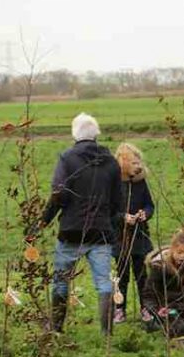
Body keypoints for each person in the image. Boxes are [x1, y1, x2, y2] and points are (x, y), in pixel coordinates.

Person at [42, 113, 123, 335]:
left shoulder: (67, 159)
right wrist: (109, 220)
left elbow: (58, 194)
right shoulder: (112, 162)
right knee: (104, 283)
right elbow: (118, 201)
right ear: (96, 134)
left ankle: (56, 328)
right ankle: (107, 333)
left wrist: (42, 222)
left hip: (71, 230)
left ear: (74, 134)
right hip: (101, 232)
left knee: (61, 281)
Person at [112, 143, 155, 324]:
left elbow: (149, 205)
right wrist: (123, 217)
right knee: (121, 276)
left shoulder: (140, 183)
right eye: (133, 162)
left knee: (142, 275)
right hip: (120, 238)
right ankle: (119, 309)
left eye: (139, 162)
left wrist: (145, 213)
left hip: (140, 236)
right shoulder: (112, 185)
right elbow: (107, 211)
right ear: (123, 163)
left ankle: (146, 308)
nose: (138, 166)